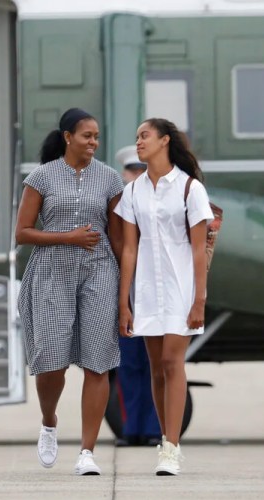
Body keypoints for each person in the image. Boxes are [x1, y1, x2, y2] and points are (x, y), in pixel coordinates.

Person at [16, 108, 124, 476]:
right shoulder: (42, 177)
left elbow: (118, 237)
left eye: (96, 136)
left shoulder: (110, 179)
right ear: (67, 137)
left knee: (98, 361)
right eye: (86, 136)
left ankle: (87, 453)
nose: (93, 142)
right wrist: (69, 237)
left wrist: (127, 288)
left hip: (100, 271)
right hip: (52, 272)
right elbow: (23, 233)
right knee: (51, 361)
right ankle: (49, 422)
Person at [116, 118, 214, 475]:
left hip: (180, 289)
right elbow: (129, 249)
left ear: (164, 141)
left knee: (173, 364)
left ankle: (170, 448)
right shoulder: (133, 191)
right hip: (146, 291)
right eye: (137, 136)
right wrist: (123, 301)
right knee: (157, 370)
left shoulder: (190, 189)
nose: (139, 142)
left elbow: (199, 249)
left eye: (145, 136)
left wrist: (199, 299)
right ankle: (164, 437)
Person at [113, 145, 162, 447]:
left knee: (156, 364)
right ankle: (131, 428)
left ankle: (156, 428)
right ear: (124, 174)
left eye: (142, 170)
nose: (137, 176)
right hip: (127, 294)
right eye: (132, 170)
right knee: (128, 365)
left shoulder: (162, 202)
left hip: (157, 293)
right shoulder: (117, 205)